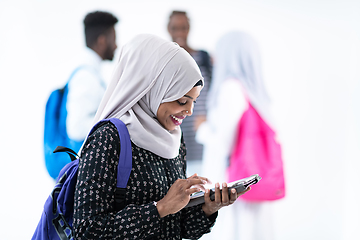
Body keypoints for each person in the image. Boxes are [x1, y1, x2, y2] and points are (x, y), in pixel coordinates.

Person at [72, 34, 250, 239]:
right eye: (183, 101)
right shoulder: (108, 139)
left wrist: (208, 208)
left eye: (194, 101)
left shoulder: (174, 138)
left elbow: (178, 226)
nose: (189, 111)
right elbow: (87, 230)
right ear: (152, 88)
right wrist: (160, 208)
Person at [196, 31, 277, 240]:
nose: (213, 58)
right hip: (250, 185)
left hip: (230, 187)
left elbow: (223, 145)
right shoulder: (256, 93)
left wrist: (202, 129)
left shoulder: (230, 89)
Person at [167, 11, 212, 176]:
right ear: (168, 29)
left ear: (189, 28)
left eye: (183, 28)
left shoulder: (204, 59)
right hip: (173, 148)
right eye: (175, 28)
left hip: (202, 146)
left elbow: (215, 97)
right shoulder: (164, 61)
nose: (179, 33)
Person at [66, 11, 118, 144]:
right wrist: (115, 121)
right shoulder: (86, 76)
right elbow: (76, 129)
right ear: (102, 41)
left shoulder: (91, 73)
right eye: (114, 39)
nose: (116, 46)